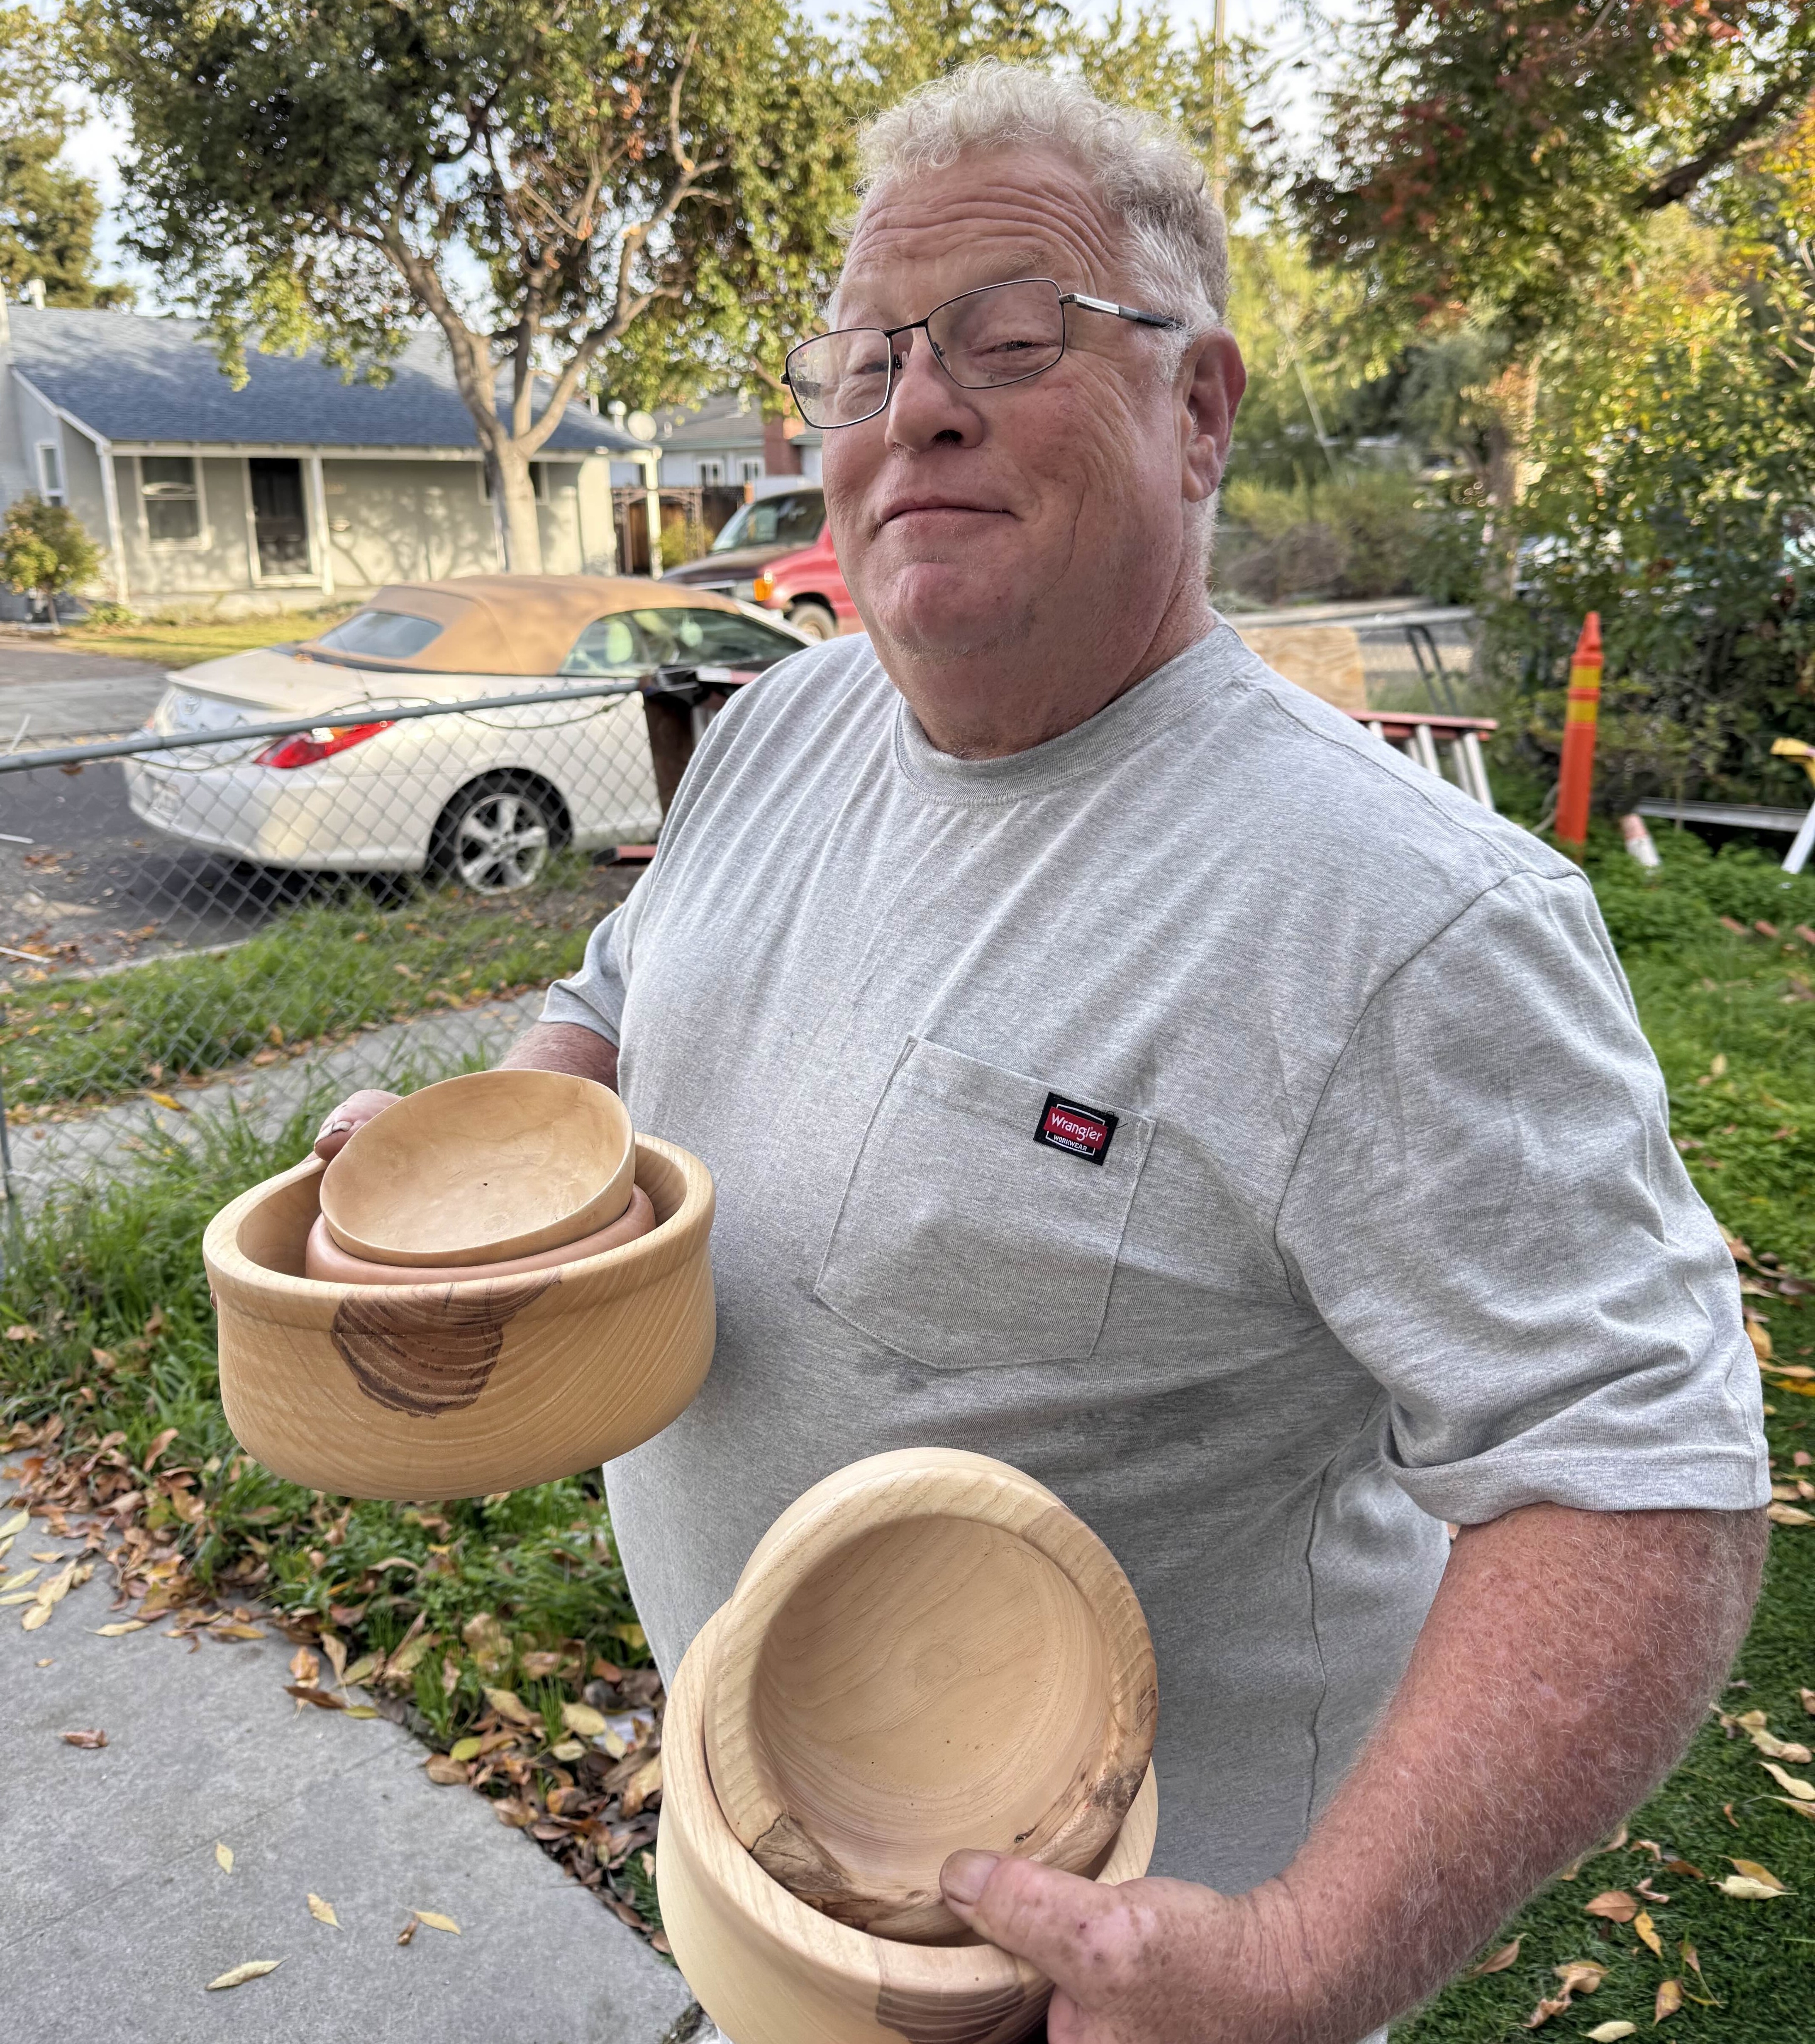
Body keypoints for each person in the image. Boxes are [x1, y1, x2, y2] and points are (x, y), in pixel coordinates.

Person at [318, 64, 1768, 2044]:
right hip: (778, 1865)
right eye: (865, 361)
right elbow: (622, 997)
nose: (915, 405)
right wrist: (489, 1163)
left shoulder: (1399, 918)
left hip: (1117, 1979)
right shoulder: (782, 732)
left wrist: (1308, 1961)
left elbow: (1641, 1489)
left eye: (1014, 337)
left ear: (1201, 412)